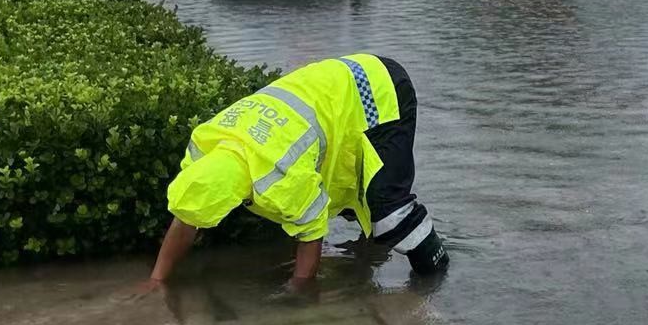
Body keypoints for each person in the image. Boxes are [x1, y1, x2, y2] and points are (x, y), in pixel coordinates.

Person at [139, 54, 448, 294]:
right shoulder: (205, 147)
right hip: (341, 86)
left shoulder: (278, 177)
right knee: (348, 188)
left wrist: (298, 291)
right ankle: (367, 254)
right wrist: (157, 280)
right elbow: (186, 219)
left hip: (381, 92)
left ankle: (437, 270)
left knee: (389, 212)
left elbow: (311, 234)